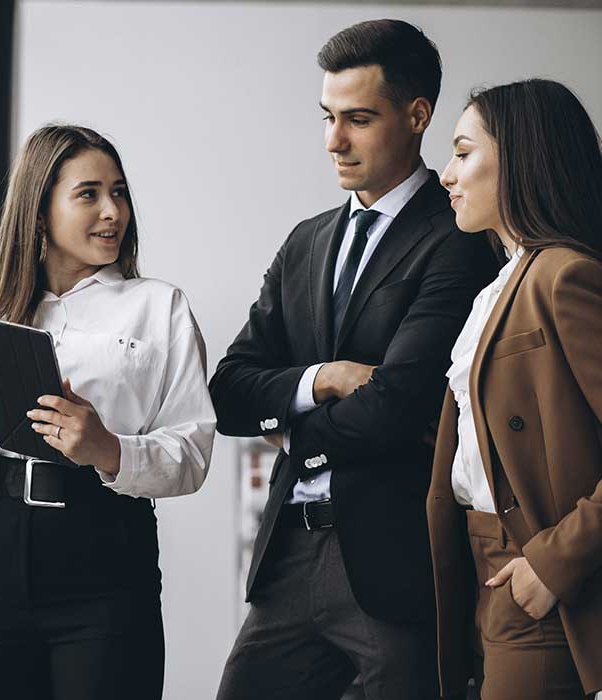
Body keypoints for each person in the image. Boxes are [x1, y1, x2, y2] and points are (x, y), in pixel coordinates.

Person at [210, 19, 498, 700]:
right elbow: (226, 393)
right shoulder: (306, 242)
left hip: (394, 562)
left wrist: (292, 431)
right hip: (287, 557)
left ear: (417, 114)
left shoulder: (458, 239)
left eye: (359, 119)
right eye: (328, 117)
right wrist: (322, 379)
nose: (334, 140)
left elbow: (397, 407)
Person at [0, 124, 216, 700]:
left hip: (106, 552)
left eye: (118, 192)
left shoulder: (158, 306)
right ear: (39, 213)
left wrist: (108, 449)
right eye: (89, 194)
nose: (112, 211)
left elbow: (193, 455)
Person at [429, 78, 602, 700]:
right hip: (478, 565)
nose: (447, 174)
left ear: (523, 158)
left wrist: (554, 564)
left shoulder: (565, 275)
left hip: (539, 570)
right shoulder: (497, 287)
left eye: (464, 151)